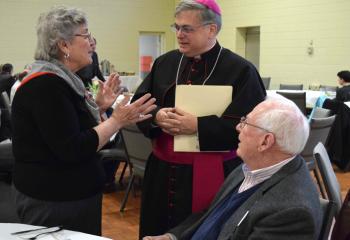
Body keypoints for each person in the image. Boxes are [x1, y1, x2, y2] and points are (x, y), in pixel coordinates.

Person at [11, 6, 156, 235]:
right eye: (86, 35)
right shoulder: (47, 86)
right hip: (56, 202)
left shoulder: (63, 81)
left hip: (67, 198)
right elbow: (73, 148)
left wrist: (100, 108)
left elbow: (68, 128)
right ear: (64, 45)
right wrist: (116, 120)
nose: (92, 43)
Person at [132, 0, 266, 237]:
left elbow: (252, 127)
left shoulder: (242, 70)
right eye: (177, 28)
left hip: (216, 173)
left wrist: (197, 126)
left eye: (187, 29)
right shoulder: (164, 63)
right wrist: (157, 116)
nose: (180, 35)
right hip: (162, 173)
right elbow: (138, 106)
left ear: (211, 29)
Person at [144, 96, 323, 240]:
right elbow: (210, 214)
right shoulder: (248, 169)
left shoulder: (291, 212)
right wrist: (172, 236)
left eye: (246, 123)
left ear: (265, 141)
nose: (238, 127)